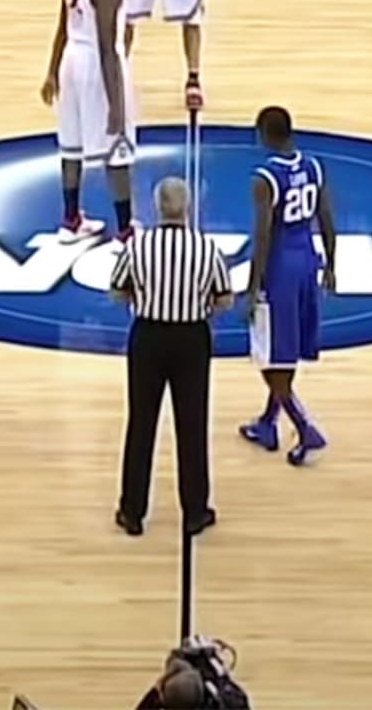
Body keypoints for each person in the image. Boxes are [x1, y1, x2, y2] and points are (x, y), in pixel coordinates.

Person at [111, 177, 233, 536]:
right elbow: (225, 298)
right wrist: (201, 307)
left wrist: (141, 298)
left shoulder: (138, 247)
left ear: (156, 207)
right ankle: (195, 511)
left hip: (147, 337)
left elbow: (117, 291)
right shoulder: (206, 249)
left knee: (141, 424)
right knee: (192, 425)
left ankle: (132, 511)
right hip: (192, 339)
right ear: (188, 207)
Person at [240, 105, 336, 465]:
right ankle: (268, 422)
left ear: (264, 134)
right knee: (286, 349)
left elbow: (262, 236)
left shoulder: (264, 178)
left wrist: (252, 288)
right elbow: (326, 216)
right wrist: (332, 264)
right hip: (307, 260)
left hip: (279, 268)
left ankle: (304, 426)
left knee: (268, 354)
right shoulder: (313, 166)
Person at [40, 0, 136, 244]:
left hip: (72, 60)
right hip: (96, 64)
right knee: (117, 149)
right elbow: (108, 49)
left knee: (71, 144)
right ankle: (125, 231)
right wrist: (116, 105)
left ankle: (70, 221)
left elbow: (63, 23)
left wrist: (52, 71)